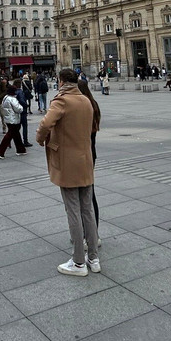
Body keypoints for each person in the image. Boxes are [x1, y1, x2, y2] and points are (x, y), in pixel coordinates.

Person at [36, 68, 99, 277]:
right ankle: (94, 258)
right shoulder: (86, 101)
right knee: (87, 210)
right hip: (85, 160)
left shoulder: (62, 101)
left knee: (73, 211)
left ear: (61, 81)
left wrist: (40, 139)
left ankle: (79, 262)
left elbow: (45, 123)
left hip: (68, 163)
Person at [77, 77, 102, 244]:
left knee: (83, 197)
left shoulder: (82, 108)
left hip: (81, 155)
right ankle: (92, 233)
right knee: (89, 194)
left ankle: (89, 236)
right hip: (90, 153)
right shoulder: (93, 105)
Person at [0, 83, 27, 158]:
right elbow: (19, 109)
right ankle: (0, 151)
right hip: (14, 119)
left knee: (16, 135)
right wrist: (22, 107)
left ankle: (21, 149)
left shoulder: (5, 97)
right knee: (10, 135)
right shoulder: (13, 99)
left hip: (8, 119)